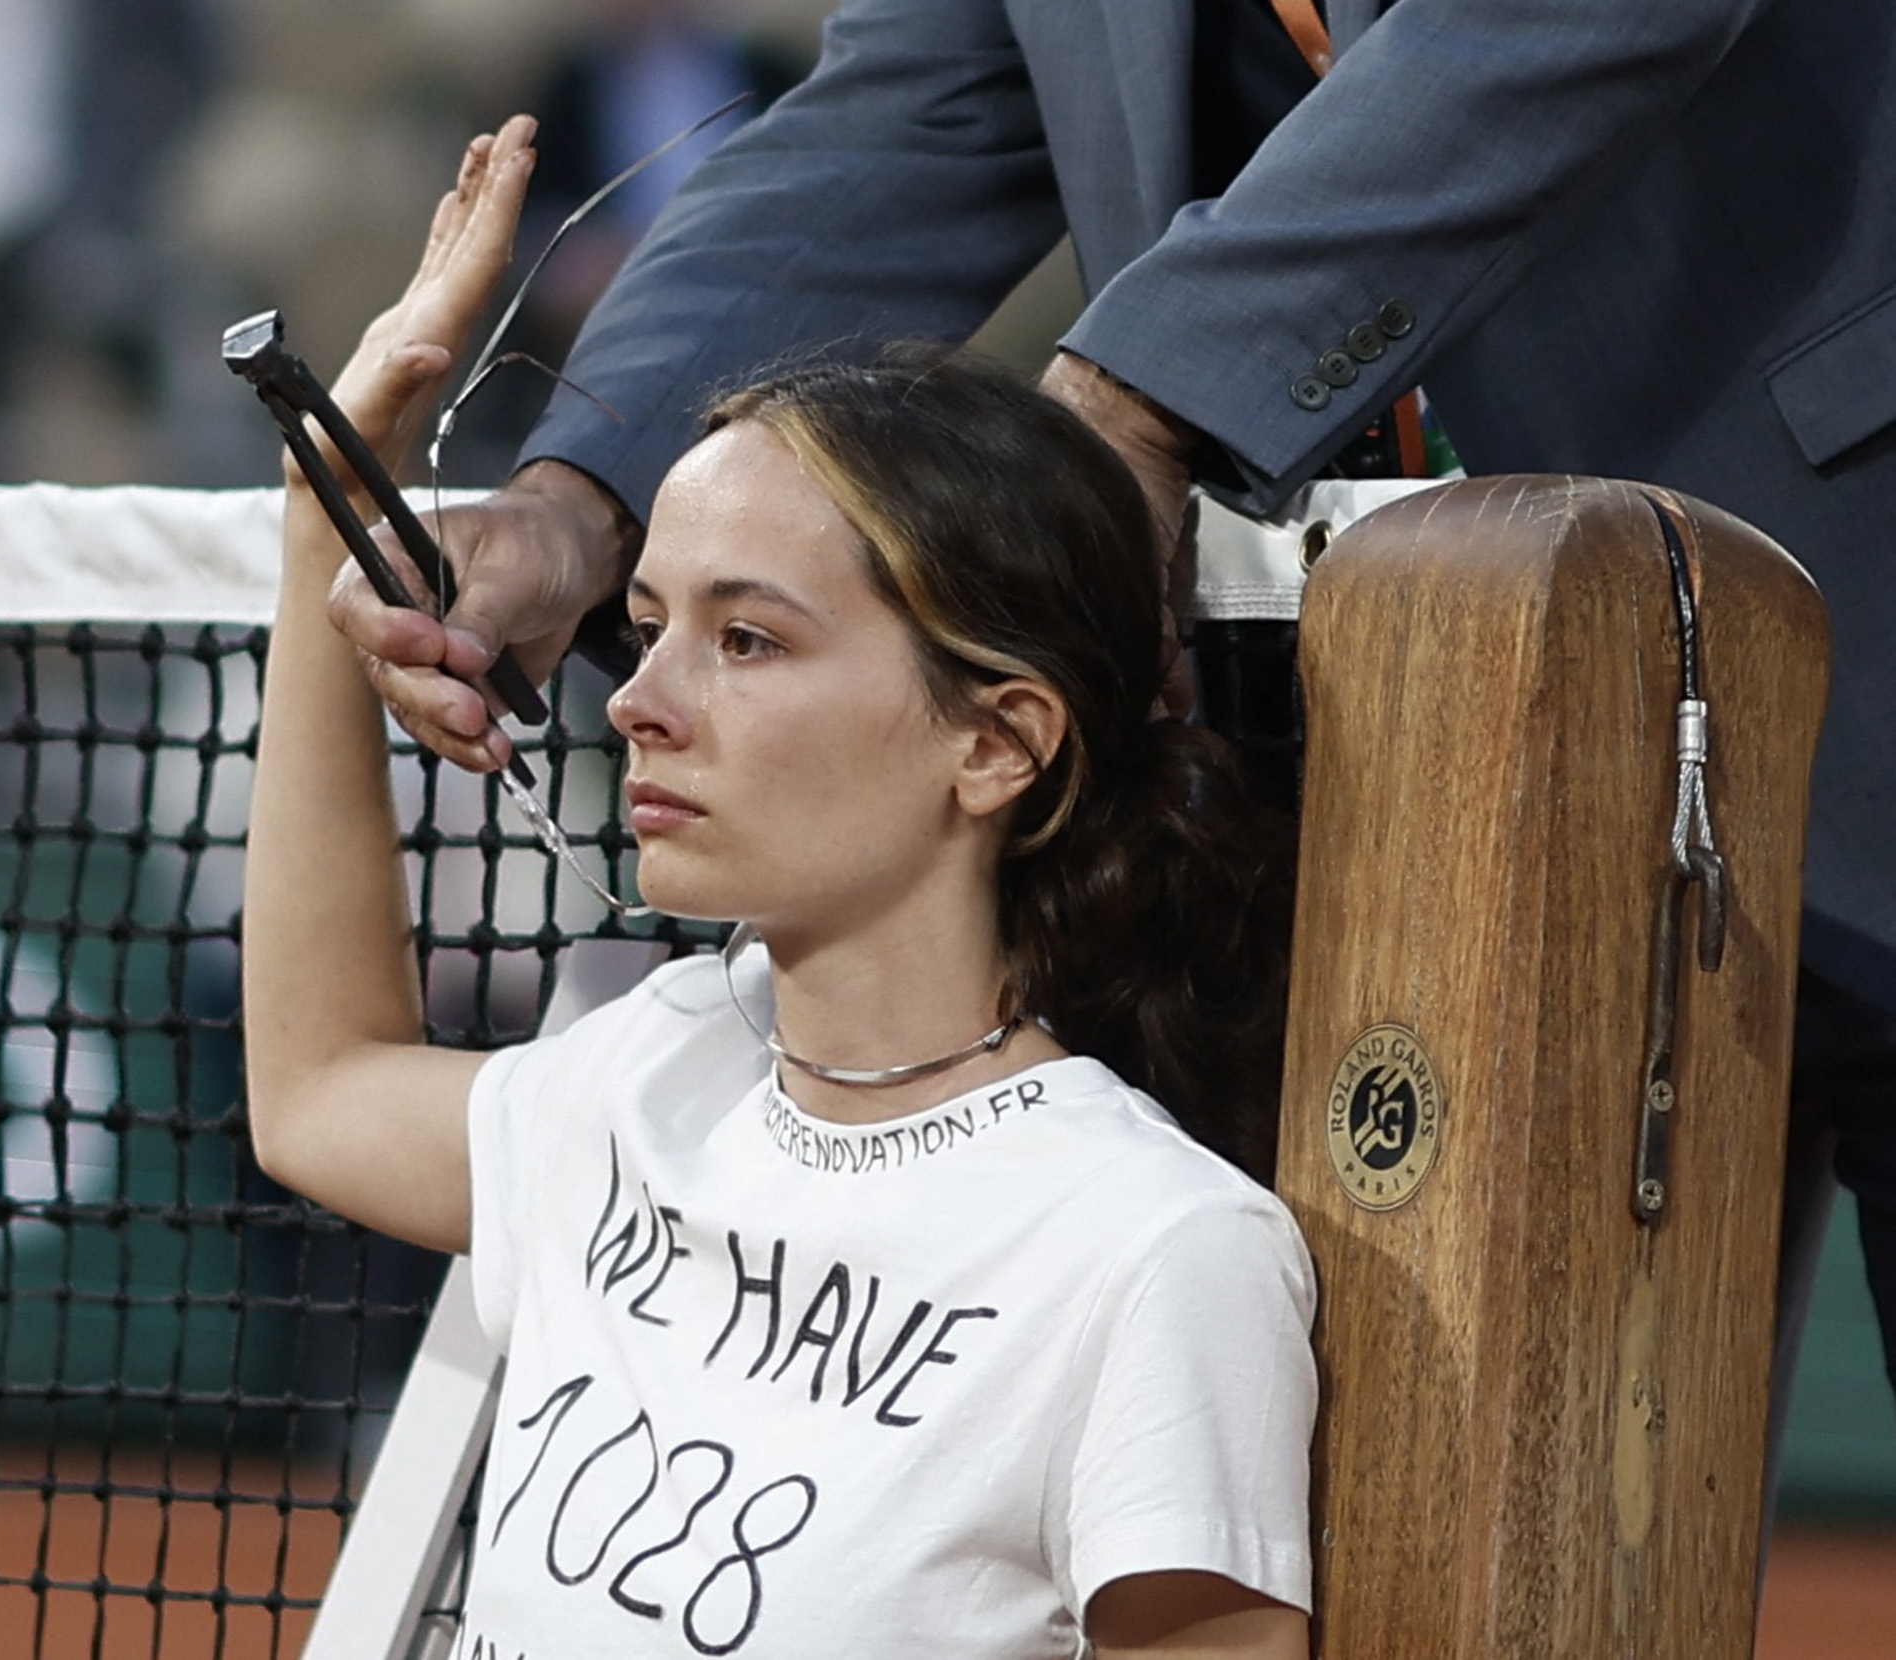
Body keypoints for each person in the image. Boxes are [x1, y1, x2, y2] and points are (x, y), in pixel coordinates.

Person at [328, 0, 1896, 1419]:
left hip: (1848, 612)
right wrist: (581, 500)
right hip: (1385, 785)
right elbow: (921, 102)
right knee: (1455, 1556)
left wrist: (1141, 394)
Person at [244, 118, 1314, 1658]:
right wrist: (316, 524)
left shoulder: (1158, 1250)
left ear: (998, 741)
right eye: (655, 619)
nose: (637, 697)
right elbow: (316, 1086)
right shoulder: (651, 1064)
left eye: (747, 641)